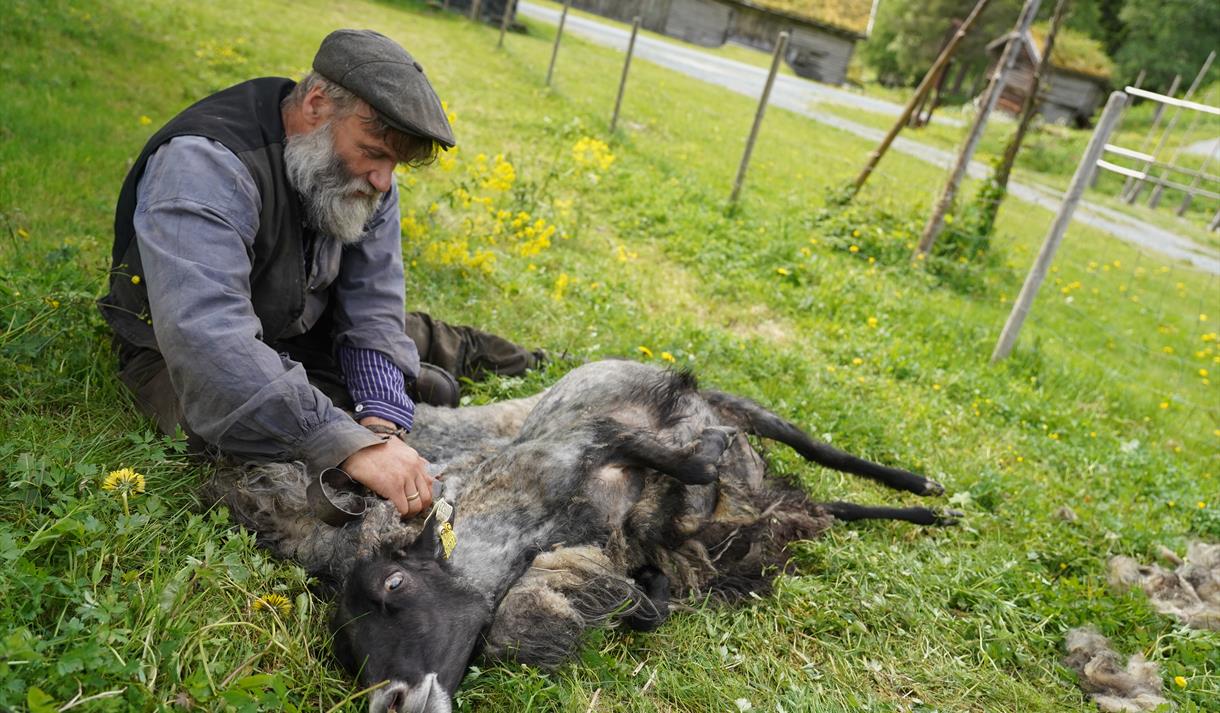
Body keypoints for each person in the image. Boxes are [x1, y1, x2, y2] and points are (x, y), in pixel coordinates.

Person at [98, 29, 540, 518]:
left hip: (301, 318)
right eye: (374, 151)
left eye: (394, 164)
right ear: (315, 105)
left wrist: (381, 419)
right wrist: (351, 444)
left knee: (404, 350)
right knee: (237, 440)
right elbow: (208, 341)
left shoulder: (366, 174)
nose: (383, 180)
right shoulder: (202, 165)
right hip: (176, 352)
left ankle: (531, 362)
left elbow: (372, 303)